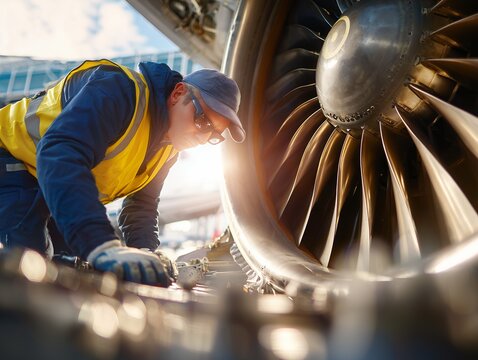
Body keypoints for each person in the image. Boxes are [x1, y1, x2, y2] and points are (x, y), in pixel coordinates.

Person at [0, 59, 245, 286]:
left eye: (214, 134)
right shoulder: (118, 90)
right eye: (202, 121)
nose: (203, 137)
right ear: (178, 93)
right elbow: (60, 154)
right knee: (29, 271)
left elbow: (142, 204)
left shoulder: (168, 147)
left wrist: (146, 252)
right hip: (11, 156)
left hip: (49, 182)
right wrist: (101, 244)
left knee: (73, 275)